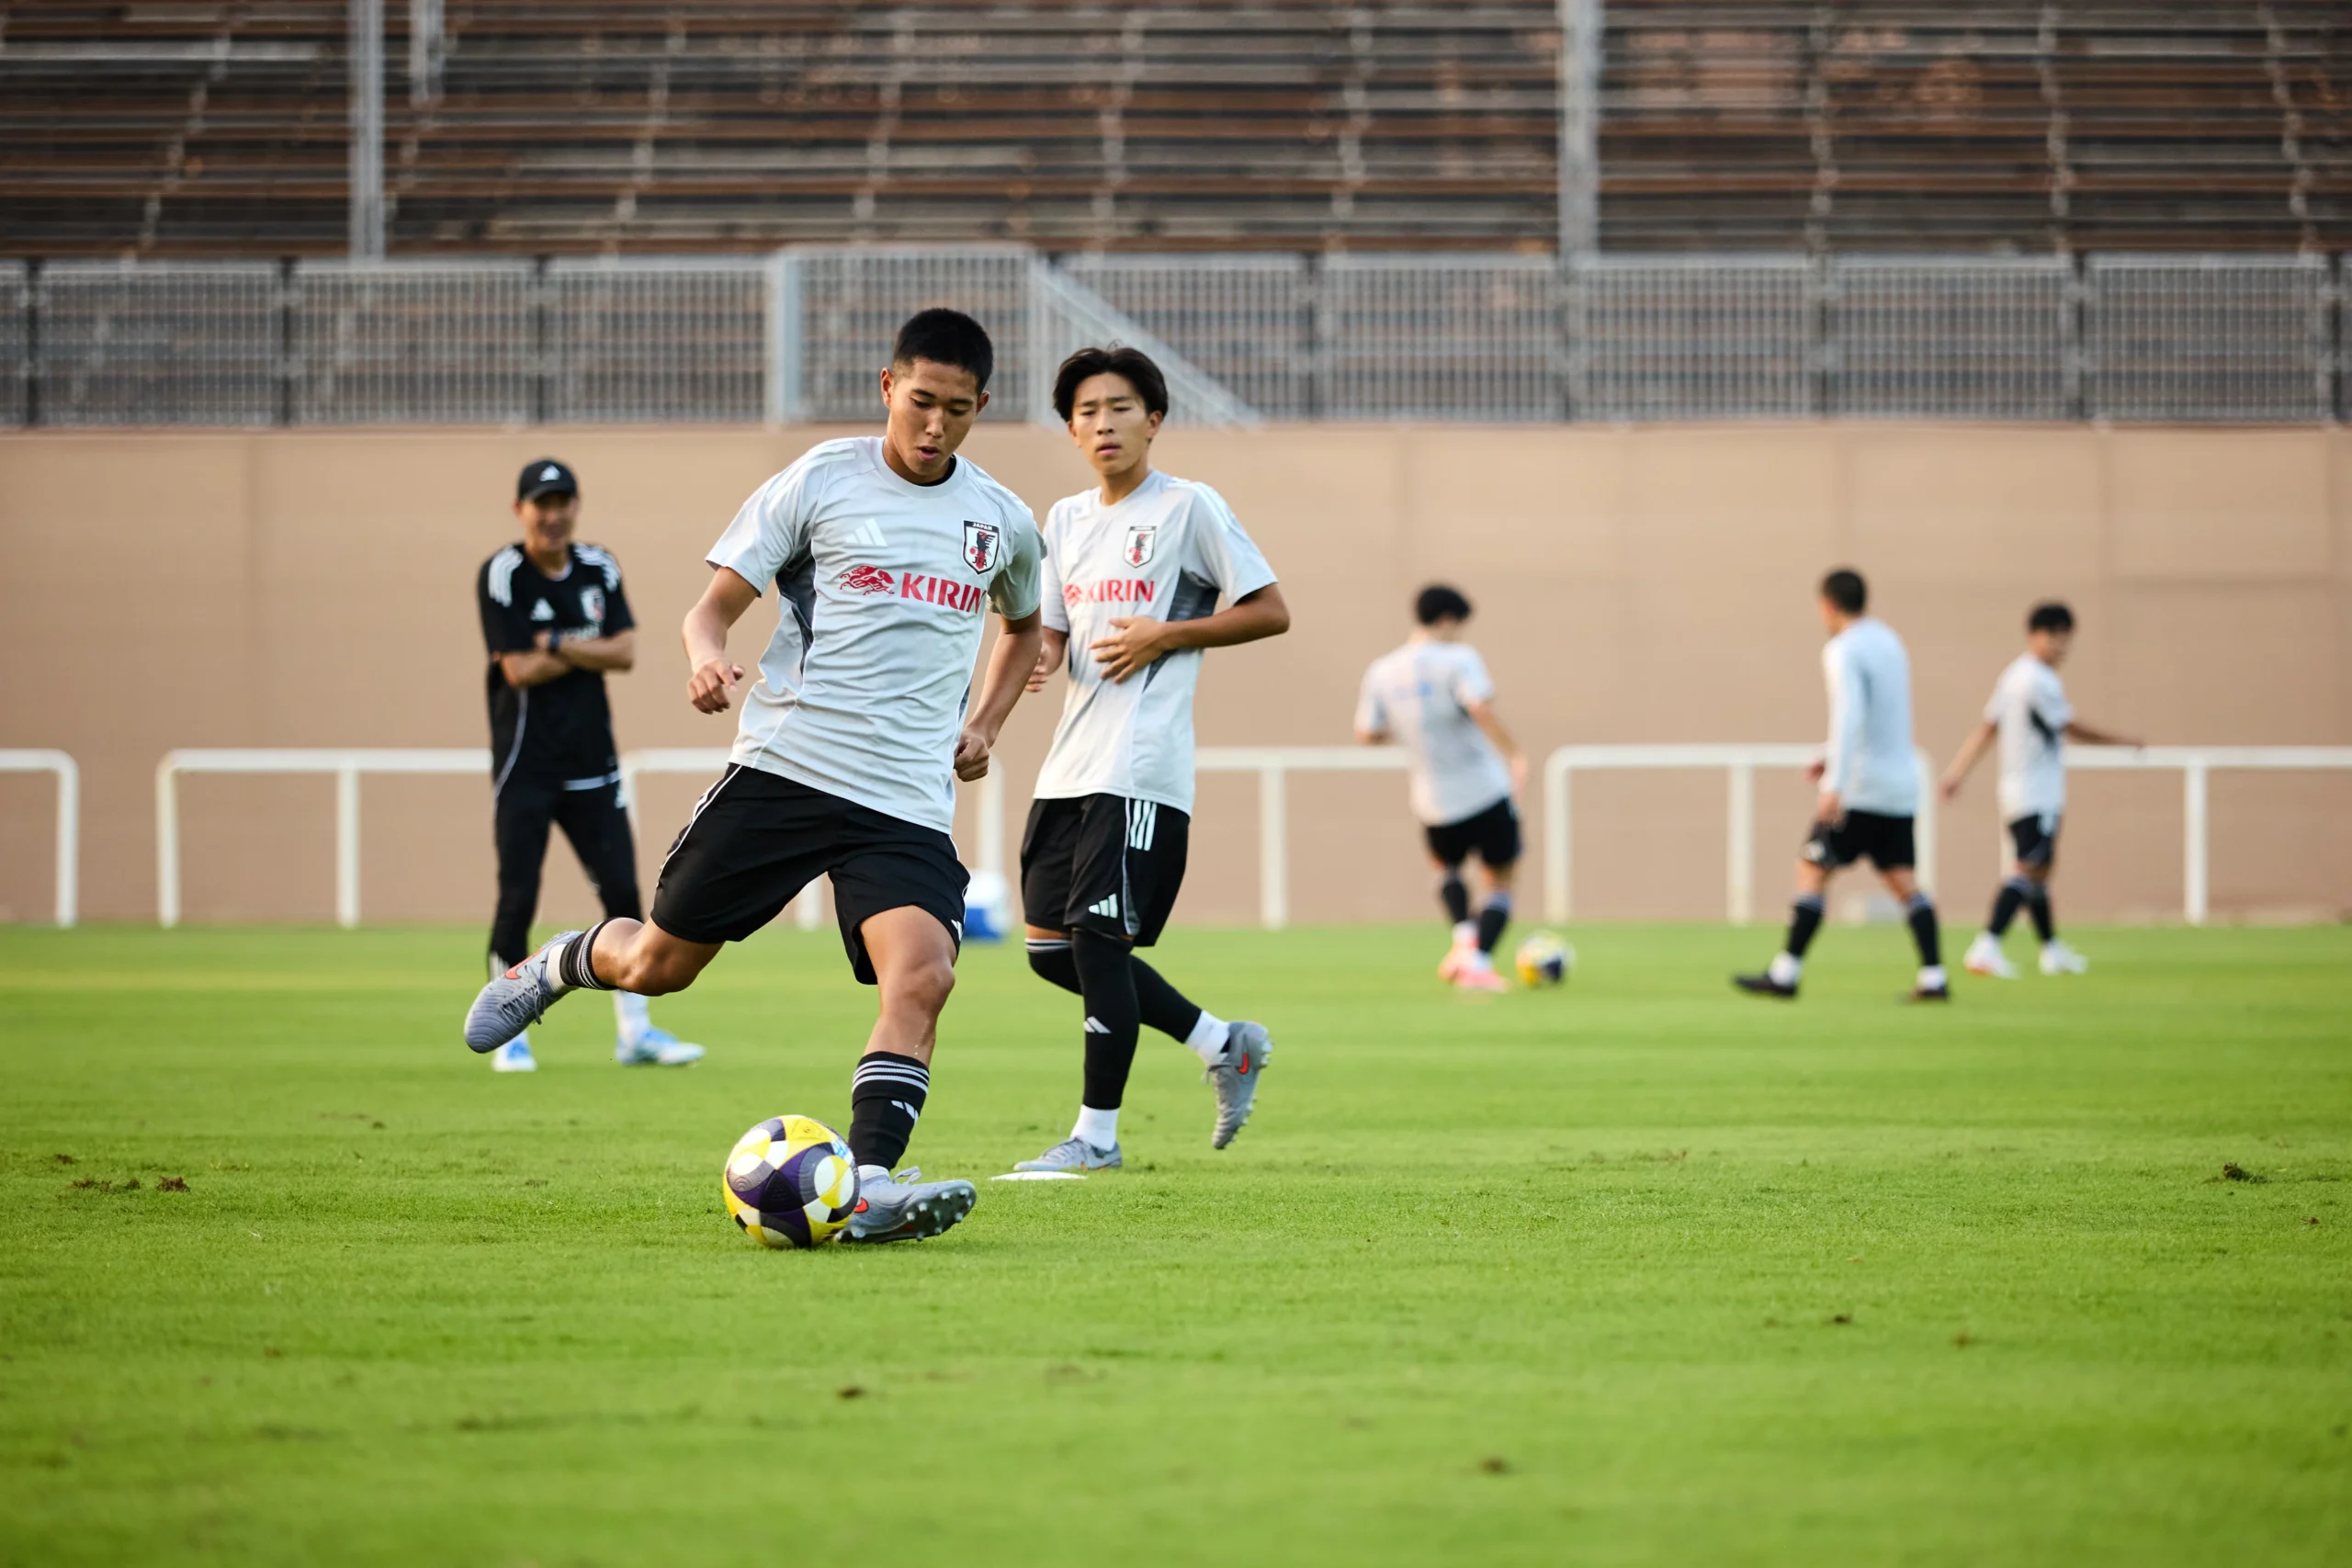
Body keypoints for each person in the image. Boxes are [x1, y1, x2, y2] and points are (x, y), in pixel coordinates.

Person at [463, 310, 1046, 1244]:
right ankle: (564, 961)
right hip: (788, 770)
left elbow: (1024, 629)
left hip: (901, 801)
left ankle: (866, 1186)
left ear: (983, 406)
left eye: (958, 410)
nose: (935, 426)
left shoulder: (1001, 520)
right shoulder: (822, 480)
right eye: (921, 402)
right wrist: (707, 659)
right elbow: (711, 608)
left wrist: (983, 724)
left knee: (925, 977)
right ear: (887, 388)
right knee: (659, 968)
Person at [1010, 345, 1291, 1175]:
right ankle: (1220, 1041)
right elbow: (1054, 625)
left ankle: (1095, 1138)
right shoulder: (1062, 520)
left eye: (1121, 407)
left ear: (1154, 420)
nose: (1104, 422)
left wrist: (1169, 632)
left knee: (1098, 943)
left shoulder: (1189, 508)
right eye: (1088, 411)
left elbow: (1270, 609)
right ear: (1070, 428)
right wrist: (1042, 652)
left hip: (1139, 766)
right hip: (1068, 765)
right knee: (1049, 951)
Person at [475, 457, 704, 1073]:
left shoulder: (599, 565)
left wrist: (551, 642)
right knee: (517, 896)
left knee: (625, 895)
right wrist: (583, 650)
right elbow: (517, 669)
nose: (553, 515)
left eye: (563, 502)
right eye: (540, 503)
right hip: (525, 764)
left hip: (593, 764)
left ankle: (636, 1031)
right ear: (521, 510)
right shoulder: (504, 573)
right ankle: (510, 1033)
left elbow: (625, 651)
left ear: (576, 506)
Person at [1736, 569, 1947, 1002]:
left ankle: (1786, 973)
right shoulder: (1890, 641)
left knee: (1811, 869)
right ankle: (1934, 977)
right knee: (1904, 882)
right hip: (1899, 784)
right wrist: (1830, 755)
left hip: (1860, 788)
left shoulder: (1843, 649)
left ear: (1827, 605)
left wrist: (1834, 782)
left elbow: (1850, 714)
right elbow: (1880, 717)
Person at [1940, 602, 2139, 977]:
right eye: (2054, 638)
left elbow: (1987, 728)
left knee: (2041, 870)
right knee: (2029, 868)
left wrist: (1957, 772)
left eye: (2066, 640)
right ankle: (1987, 946)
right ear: (2034, 635)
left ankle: (2050, 949)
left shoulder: (2013, 676)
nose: (2060, 648)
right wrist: (2124, 741)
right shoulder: (2040, 682)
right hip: (2037, 790)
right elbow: (2072, 727)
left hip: (2016, 789)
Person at [1356, 585, 1528, 992]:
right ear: (1449, 619)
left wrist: (1413, 727)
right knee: (1501, 879)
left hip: (1431, 798)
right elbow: (1479, 705)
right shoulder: (1459, 659)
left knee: (1446, 869)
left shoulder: (1382, 670)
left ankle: (1463, 941)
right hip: (1482, 788)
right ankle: (1479, 962)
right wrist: (1515, 753)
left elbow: (1368, 733)